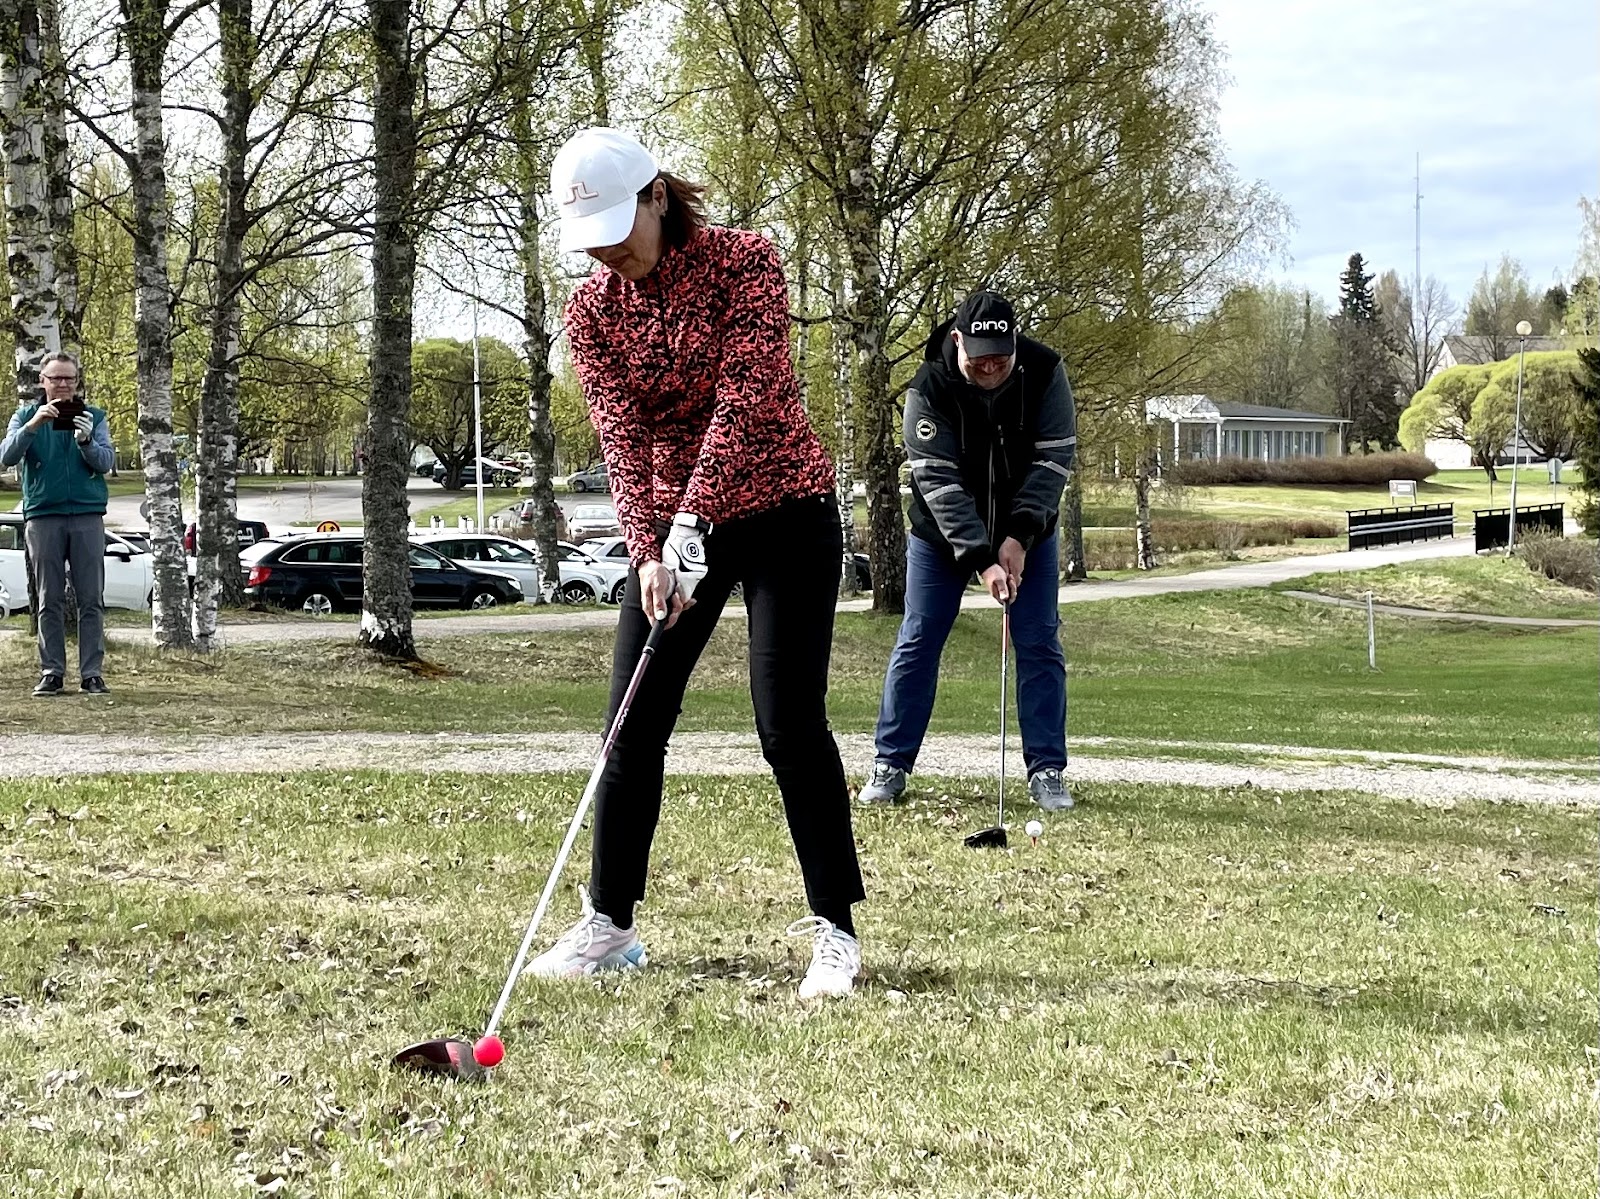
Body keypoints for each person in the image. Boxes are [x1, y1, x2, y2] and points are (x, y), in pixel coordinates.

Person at [527, 127, 866, 999]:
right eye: (590, 238)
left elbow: (746, 397)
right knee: (631, 722)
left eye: (617, 229)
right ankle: (610, 924)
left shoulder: (748, 262)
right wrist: (648, 551)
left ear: (657, 197)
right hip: (676, 527)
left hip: (786, 511)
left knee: (788, 722)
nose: (606, 252)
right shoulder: (591, 311)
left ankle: (835, 931)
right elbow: (621, 436)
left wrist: (691, 520)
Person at [858, 291, 1077, 810]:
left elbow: (1053, 461)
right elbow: (938, 482)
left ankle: (1047, 771)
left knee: (1039, 643)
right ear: (958, 341)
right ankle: (890, 763)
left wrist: (1018, 536)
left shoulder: (1045, 372)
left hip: (1030, 534)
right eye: (980, 358)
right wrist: (981, 558)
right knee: (919, 639)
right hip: (940, 537)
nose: (991, 367)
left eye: (1001, 357)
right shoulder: (929, 387)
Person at [0, 351, 116, 697]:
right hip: (44, 515)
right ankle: (51, 672)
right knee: (49, 597)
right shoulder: (25, 416)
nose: (63, 385)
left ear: (77, 381)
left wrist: (86, 441)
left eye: (69, 378)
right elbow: (6, 456)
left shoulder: (93, 416)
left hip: (86, 514)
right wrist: (33, 427)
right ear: (42, 381)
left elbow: (105, 461)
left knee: (91, 598)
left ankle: (91, 673)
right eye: (56, 378)